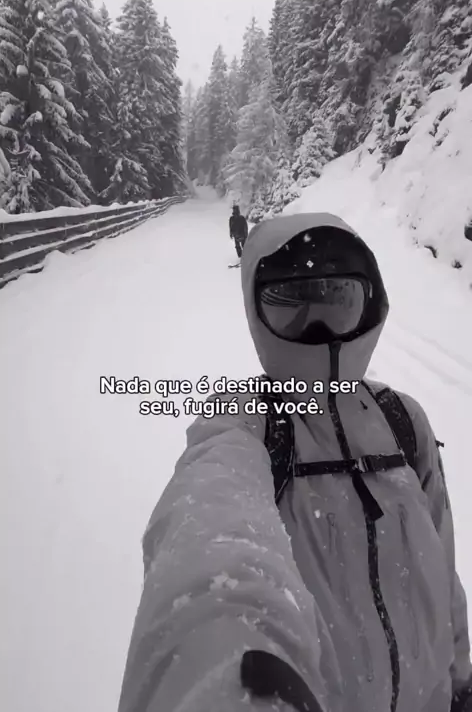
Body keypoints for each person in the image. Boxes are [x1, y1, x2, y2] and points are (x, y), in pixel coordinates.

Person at [117, 212, 472, 712]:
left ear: (368, 305)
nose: (319, 328)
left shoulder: (403, 420)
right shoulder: (246, 425)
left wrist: (460, 677)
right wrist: (225, 672)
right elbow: (210, 531)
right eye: (290, 304)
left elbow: (442, 567)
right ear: (255, 313)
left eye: (338, 300)